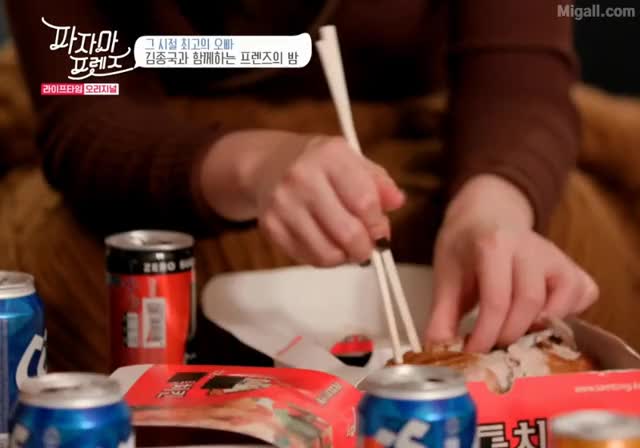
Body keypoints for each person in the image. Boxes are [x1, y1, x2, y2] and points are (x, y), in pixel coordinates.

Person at [5, 0, 597, 367]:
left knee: (547, 266)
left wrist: (489, 210)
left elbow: (520, 77)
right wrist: (253, 167)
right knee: (76, 276)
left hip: (439, 144)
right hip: (178, 156)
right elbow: (83, 104)